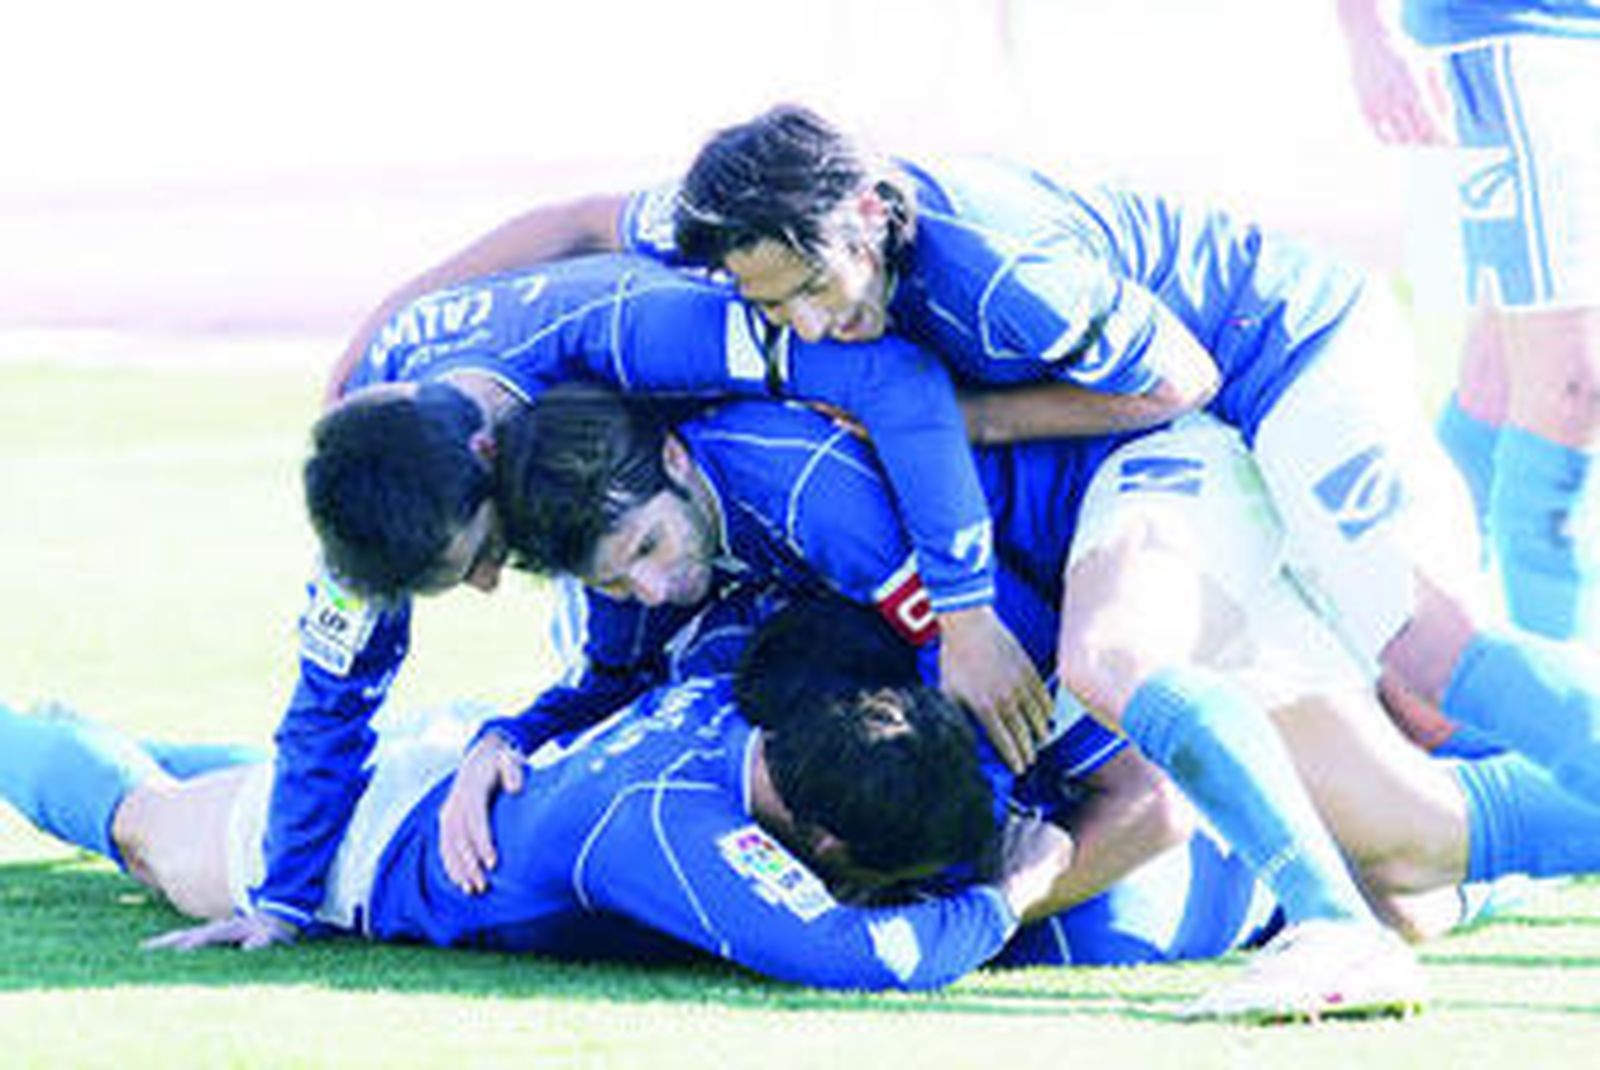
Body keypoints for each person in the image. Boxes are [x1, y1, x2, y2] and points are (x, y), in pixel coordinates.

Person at [473, 385, 1460, 1017]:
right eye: (613, 584)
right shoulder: (671, 576)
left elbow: (1151, 797)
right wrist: (504, 736)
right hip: (1018, 734)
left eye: (645, 550)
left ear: (680, 463)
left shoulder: (840, 523)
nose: (648, 591)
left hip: (1143, 530)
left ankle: (1402, 857)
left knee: (1420, 825)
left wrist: (992, 900)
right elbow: (600, 691)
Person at [247, 250, 1059, 951]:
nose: (489, 585)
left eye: (486, 556)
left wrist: (965, 615)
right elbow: (331, 696)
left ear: (488, 451)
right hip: (701, 540)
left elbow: (893, 379)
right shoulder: (367, 497)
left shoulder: (629, 332)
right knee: (671, 669)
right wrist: (283, 901)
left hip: (863, 507)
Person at [0, 600, 1088, 994]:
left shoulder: (748, 690)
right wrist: (1018, 886)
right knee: (148, 833)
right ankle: (40, 742)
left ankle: (62, 732)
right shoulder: (678, 834)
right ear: (826, 836)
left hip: (456, 759)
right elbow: (863, 958)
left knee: (238, 769)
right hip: (368, 850)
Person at [1336, 0, 1600, 646]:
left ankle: (1441, 668)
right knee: (1572, 389)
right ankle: (1555, 715)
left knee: (1497, 383)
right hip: (1508, 44)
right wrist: (1366, 31)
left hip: (1564, 45)